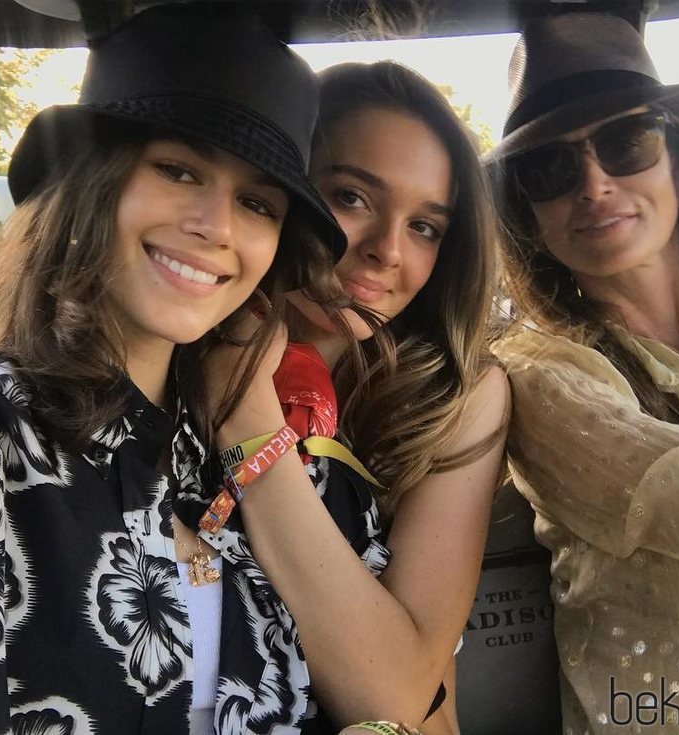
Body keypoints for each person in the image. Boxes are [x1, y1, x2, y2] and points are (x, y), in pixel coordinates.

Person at [0, 5, 358, 734]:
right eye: (177, 168)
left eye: (257, 203)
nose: (218, 227)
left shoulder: (260, 467)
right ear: (87, 175)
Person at [489, 12, 679, 733]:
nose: (593, 183)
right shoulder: (545, 378)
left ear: (678, 162)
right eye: (550, 168)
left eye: (626, 142)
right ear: (530, 215)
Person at [201, 61, 510, 734]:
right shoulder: (176, 338)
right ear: (279, 188)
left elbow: (394, 692)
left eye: (425, 226)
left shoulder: (456, 395)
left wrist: (250, 421)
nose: (387, 252)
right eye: (352, 198)